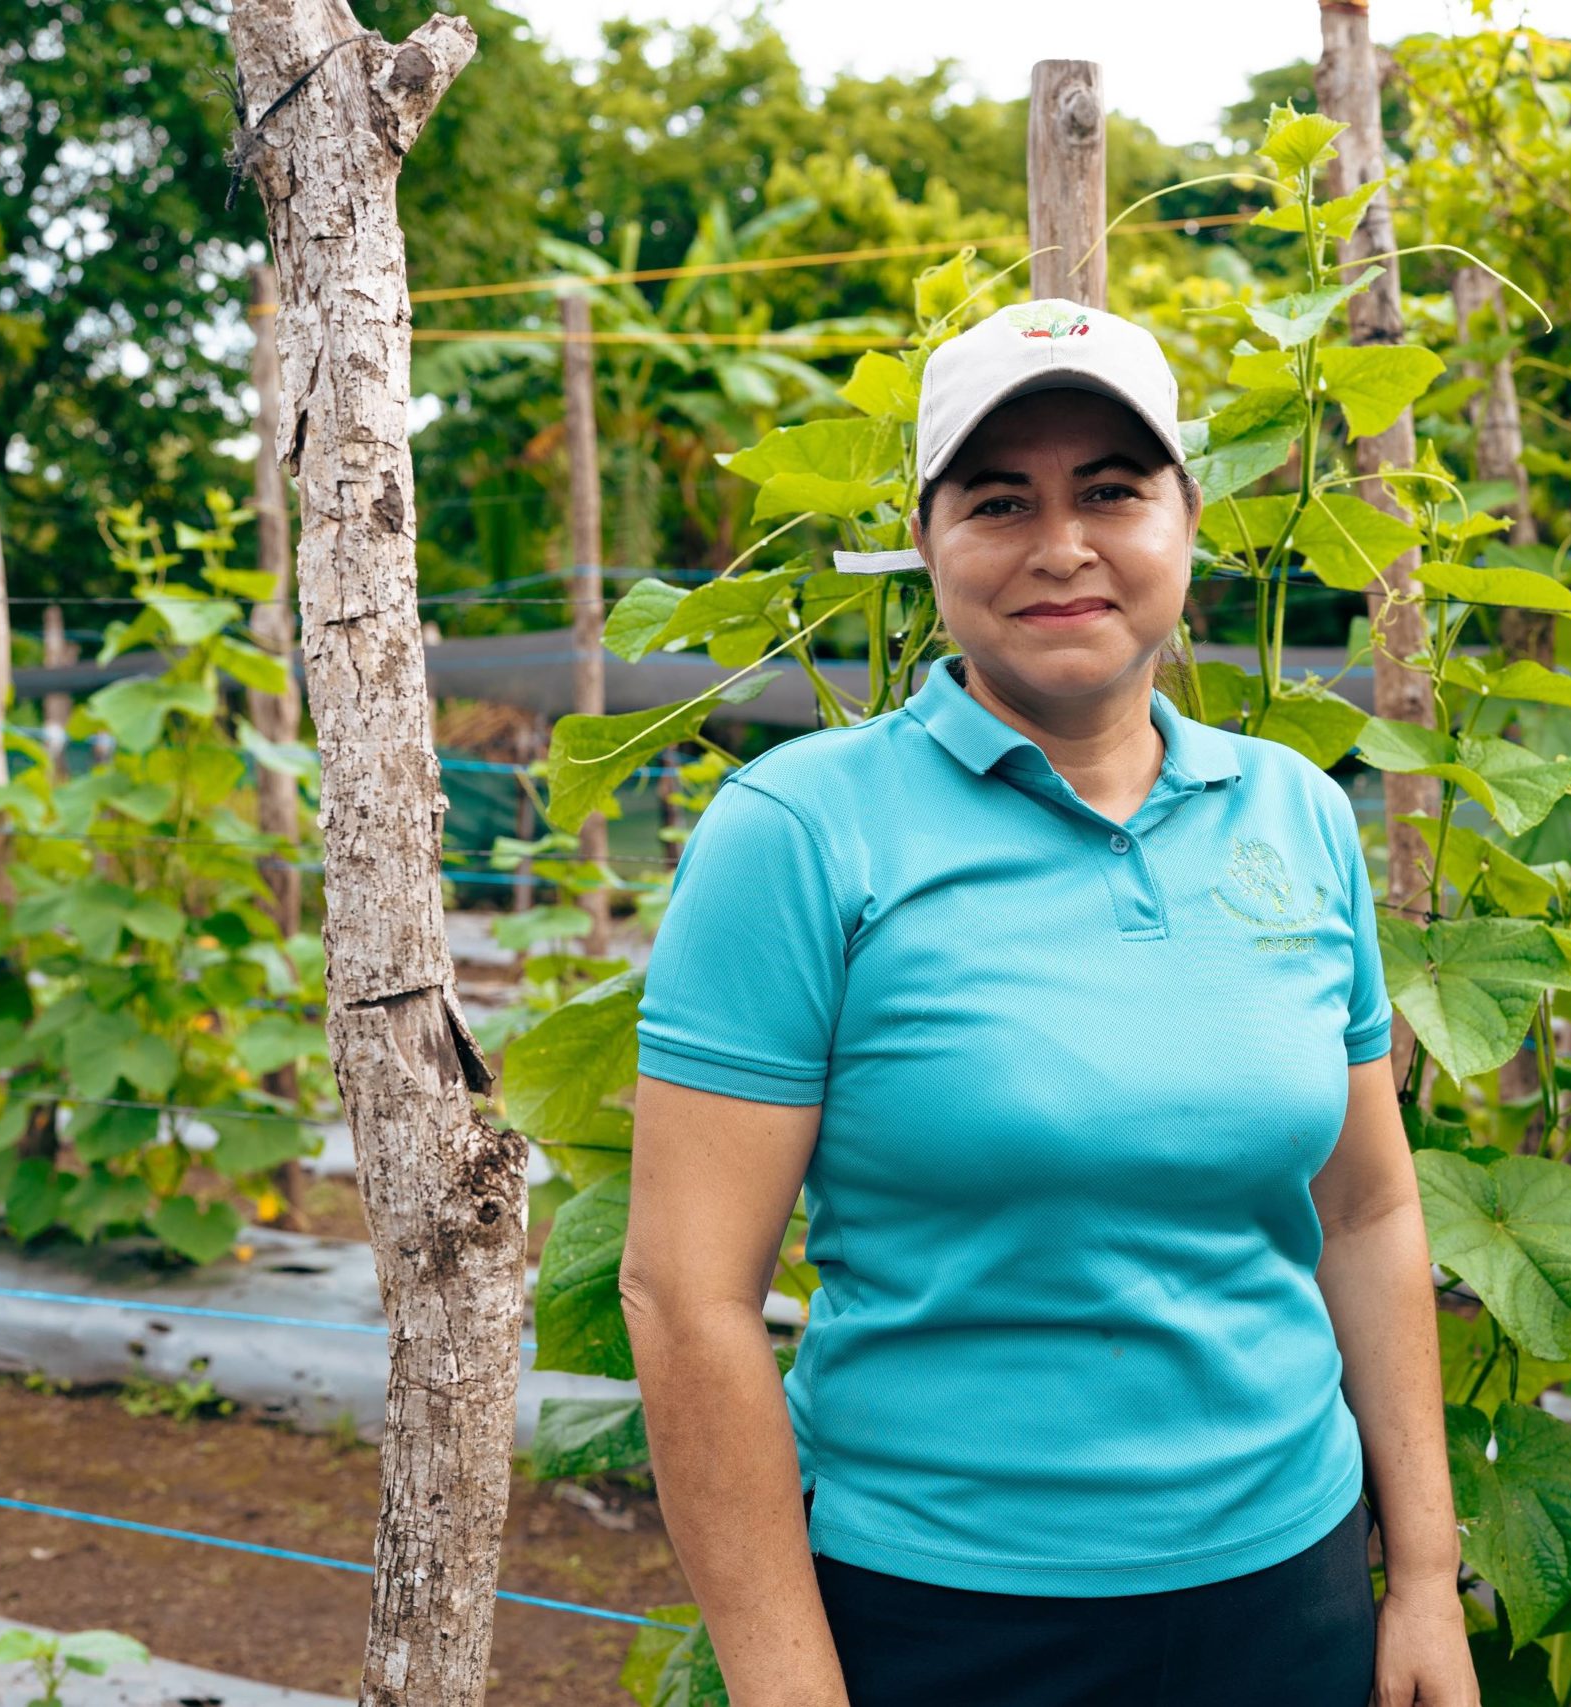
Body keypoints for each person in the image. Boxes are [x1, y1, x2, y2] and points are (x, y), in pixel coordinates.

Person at [620, 297, 1480, 1707]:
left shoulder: (1296, 815)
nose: (1062, 545)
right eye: (999, 499)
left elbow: (1369, 1210)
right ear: (928, 541)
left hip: (1291, 1588)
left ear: (1188, 521)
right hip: (942, 1614)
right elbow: (686, 1297)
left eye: (1112, 491)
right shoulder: (802, 832)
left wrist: (1426, 1578)